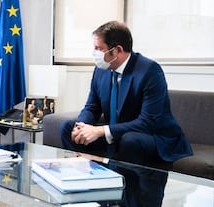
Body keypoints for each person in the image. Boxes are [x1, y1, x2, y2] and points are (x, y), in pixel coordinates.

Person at [60, 21, 193, 207]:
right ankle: (89, 181)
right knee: (67, 128)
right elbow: (91, 107)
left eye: (99, 48)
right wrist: (81, 127)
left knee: (130, 140)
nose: (95, 54)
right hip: (117, 133)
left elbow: (147, 122)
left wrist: (100, 131)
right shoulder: (101, 70)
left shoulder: (149, 71)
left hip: (152, 136)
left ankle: (123, 196)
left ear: (117, 50)